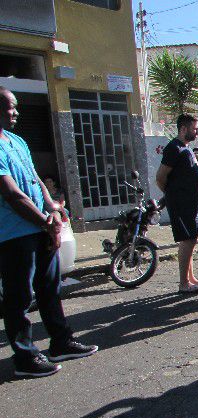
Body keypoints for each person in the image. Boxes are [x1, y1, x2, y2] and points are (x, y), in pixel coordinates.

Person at [0, 87, 97, 377]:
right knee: (18, 297)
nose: (15, 112)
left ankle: (61, 340)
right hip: (13, 233)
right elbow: (12, 194)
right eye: (9, 107)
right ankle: (26, 357)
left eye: (16, 107)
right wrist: (45, 220)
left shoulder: (17, 141)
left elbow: (35, 180)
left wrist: (53, 209)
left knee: (50, 288)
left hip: (40, 225)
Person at [155, 114, 198, 293]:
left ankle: (191, 278)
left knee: (192, 238)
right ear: (184, 129)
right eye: (195, 129)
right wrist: (172, 195)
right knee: (187, 239)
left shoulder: (186, 149)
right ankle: (183, 283)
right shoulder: (174, 148)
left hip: (190, 202)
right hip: (181, 203)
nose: (197, 132)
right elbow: (160, 177)